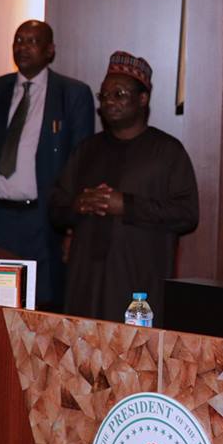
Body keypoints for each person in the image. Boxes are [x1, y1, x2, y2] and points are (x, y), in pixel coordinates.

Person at [50, 51, 199, 324]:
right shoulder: (86, 150)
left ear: (143, 99)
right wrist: (78, 204)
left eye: (118, 94)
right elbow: (56, 208)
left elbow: (187, 213)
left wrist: (126, 205)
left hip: (138, 290)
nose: (108, 101)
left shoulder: (167, 152)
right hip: (85, 286)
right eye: (104, 95)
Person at [0, 20, 94, 307]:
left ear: (50, 50)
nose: (23, 47)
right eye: (18, 40)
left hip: (43, 220)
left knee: (41, 305)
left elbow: (81, 167)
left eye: (32, 41)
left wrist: (74, 229)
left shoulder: (72, 94)